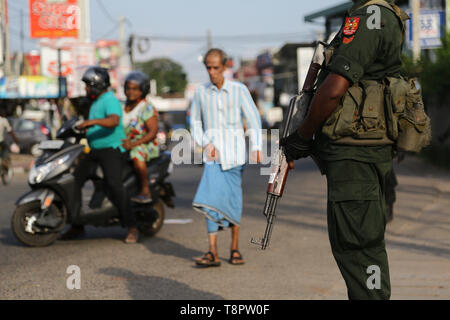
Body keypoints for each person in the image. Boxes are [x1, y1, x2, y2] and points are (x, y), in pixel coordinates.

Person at [280, 0, 408, 299]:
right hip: (367, 147)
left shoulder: (369, 16)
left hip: (355, 152)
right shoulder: (384, 14)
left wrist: (303, 134)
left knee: (358, 245)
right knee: (366, 242)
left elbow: (335, 86)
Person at [190, 48, 263, 267]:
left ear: (224, 66)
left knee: (233, 200)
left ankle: (234, 249)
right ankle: (212, 252)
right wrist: (205, 143)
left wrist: (257, 145)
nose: (212, 72)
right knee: (210, 200)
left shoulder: (239, 90)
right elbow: (194, 122)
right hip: (213, 156)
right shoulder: (201, 92)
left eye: (216, 67)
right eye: (208, 68)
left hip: (235, 156)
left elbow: (253, 118)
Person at [60, 66, 138, 244]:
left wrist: (92, 121)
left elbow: (114, 120)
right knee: (73, 182)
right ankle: (76, 225)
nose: (86, 89)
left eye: (88, 85)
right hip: (94, 150)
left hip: (111, 149)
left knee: (115, 184)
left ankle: (132, 227)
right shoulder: (95, 102)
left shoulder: (110, 99)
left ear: (97, 85)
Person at [121, 71, 159, 204]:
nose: (131, 92)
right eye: (128, 88)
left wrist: (134, 144)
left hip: (144, 144)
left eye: (135, 89)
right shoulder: (122, 106)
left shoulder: (146, 107)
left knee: (136, 154)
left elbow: (152, 132)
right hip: (125, 143)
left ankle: (145, 190)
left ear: (143, 90)